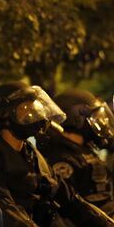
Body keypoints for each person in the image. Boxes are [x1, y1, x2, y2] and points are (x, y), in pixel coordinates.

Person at [0, 82, 114, 226]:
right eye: (25, 109)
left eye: (35, 107)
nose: (35, 115)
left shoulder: (31, 154)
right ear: (4, 113)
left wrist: (105, 223)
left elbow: (69, 199)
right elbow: (3, 210)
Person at [37, 89, 114, 217]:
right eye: (94, 117)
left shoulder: (82, 151)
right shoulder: (61, 157)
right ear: (76, 118)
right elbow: (71, 210)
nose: (101, 123)